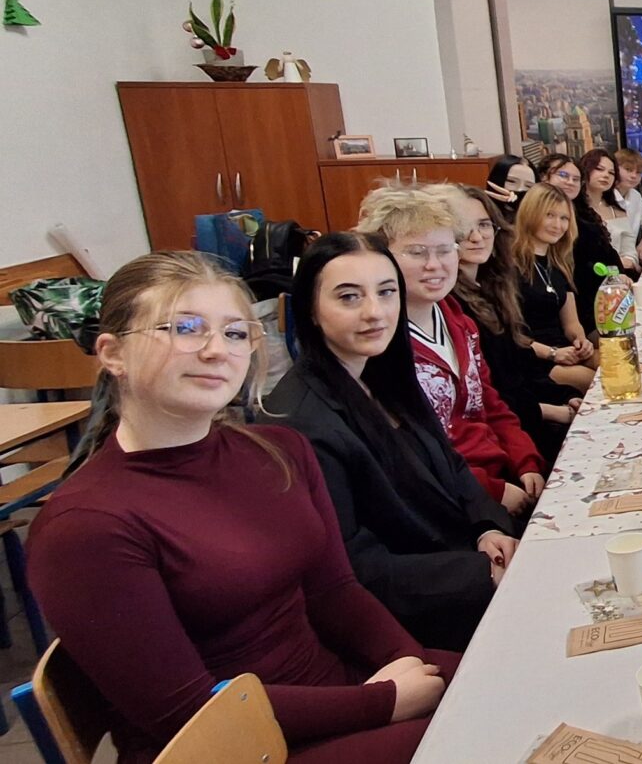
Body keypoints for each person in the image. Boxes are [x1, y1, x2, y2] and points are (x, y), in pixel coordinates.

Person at [29, 251, 458, 763]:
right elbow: (187, 714)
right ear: (113, 353)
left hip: (335, 695)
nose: (217, 351)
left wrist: (407, 662)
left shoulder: (280, 450)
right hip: (235, 746)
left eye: (235, 333)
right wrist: (384, 702)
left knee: (520, 683)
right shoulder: (85, 527)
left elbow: (334, 591)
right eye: (185, 328)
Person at [266, 233, 518, 652]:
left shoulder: (382, 373)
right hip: (416, 615)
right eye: (349, 297)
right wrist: (479, 573)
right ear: (310, 309)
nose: (374, 312)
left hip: (462, 568)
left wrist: (486, 527)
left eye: (386, 292)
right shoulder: (302, 423)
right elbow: (354, 567)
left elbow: (451, 464)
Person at [356, 186, 547, 511]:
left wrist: (525, 461)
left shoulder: (459, 320)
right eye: (417, 252)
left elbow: (490, 404)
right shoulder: (378, 343)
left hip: (500, 472)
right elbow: (409, 456)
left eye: (444, 250)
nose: (435, 265)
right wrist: (493, 492)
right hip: (451, 499)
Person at [429, 183, 583, 464]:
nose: (476, 237)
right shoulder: (450, 304)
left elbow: (516, 365)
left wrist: (563, 396)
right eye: (463, 228)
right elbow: (486, 397)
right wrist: (553, 410)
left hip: (526, 411)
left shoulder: (493, 289)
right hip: (506, 436)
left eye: (484, 225)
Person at [511, 183, 597, 372]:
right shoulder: (510, 266)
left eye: (564, 218)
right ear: (530, 214)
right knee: (598, 380)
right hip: (532, 358)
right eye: (549, 215)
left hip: (565, 350)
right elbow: (511, 335)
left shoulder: (559, 264)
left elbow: (571, 324)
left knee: (620, 363)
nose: (558, 225)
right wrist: (552, 353)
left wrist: (581, 341)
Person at [570, 148, 629, 331]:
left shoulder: (606, 210)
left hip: (612, 289)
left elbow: (609, 252)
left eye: (611, 173)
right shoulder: (575, 213)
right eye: (599, 169)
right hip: (590, 299)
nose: (606, 176)